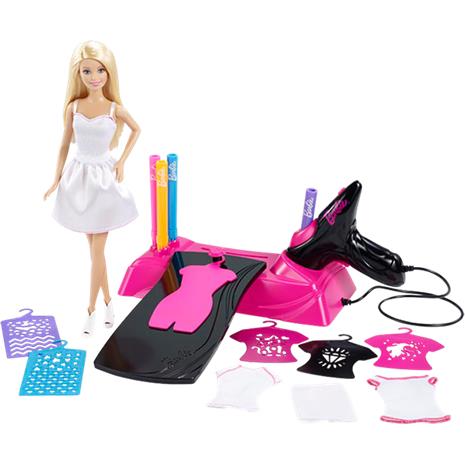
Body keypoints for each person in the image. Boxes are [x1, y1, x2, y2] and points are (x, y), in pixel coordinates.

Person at [44, 40, 140, 335]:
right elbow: (64, 144)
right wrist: (56, 178)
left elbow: (137, 129)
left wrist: (122, 161)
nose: (94, 77)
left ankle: (90, 310)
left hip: (104, 182)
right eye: (87, 71)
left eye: (100, 70)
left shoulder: (114, 108)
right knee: (95, 252)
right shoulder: (73, 107)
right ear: (78, 74)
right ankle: (109, 303)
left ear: (109, 72)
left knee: (98, 251)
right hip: (79, 180)